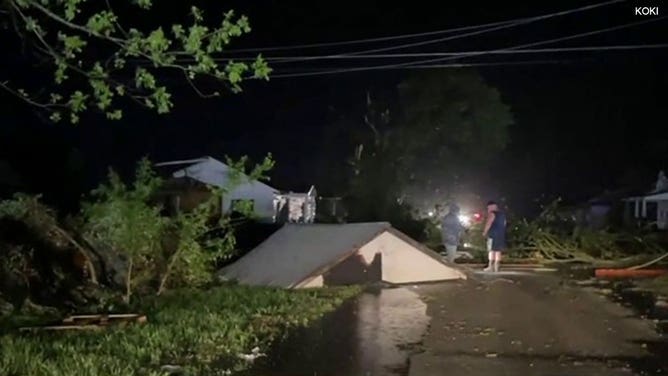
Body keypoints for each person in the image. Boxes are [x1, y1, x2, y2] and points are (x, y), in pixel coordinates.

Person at [482, 201, 507, 272]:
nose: (488, 210)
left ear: (492, 207)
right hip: (501, 235)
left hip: (492, 235)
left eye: (488, 208)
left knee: (491, 250)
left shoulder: (492, 214)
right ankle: (497, 266)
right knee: (498, 250)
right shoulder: (502, 215)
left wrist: (484, 232)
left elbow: (488, 223)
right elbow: (504, 224)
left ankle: (490, 266)